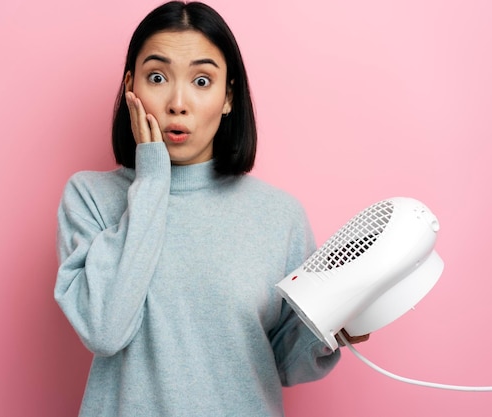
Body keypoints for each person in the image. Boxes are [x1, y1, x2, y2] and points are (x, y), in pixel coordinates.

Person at [55, 2, 366, 416]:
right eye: (157, 77)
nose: (177, 103)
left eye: (202, 80)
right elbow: (104, 330)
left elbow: (281, 363)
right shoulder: (90, 198)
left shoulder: (279, 216)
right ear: (131, 87)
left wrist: (333, 329)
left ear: (228, 96)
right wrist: (151, 181)